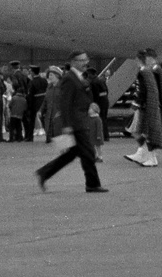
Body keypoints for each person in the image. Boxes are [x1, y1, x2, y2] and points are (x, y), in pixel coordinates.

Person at [36, 50, 107, 192]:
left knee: (72, 154)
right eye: (82, 60)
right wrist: (67, 125)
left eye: (86, 59)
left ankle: (44, 172)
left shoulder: (80, 76)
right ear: (73, 62)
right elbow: (65, 103)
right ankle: (92, 184)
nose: (86, 62)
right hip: (76, 123)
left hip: (81, 120)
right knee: (87, 152)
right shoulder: (69, 78)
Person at [125, 50, 162, 167]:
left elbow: (141, 91)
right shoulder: (148, 72)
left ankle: (150, 157)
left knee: (143, 132)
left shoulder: (143, 72)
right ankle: (145, 154)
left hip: (144, 107)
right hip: (147, 106)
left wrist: (135, 105)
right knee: (139, 131)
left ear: (138, 60)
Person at [26, 65, 47, 142]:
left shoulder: (32, 82)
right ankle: (48, 136)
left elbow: (30, 95)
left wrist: (29, 105)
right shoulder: (44, 80)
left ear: (32, 72)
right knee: (44, 119)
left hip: (35, 102)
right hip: (44, 101)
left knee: (31, 120)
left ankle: (30, 137)